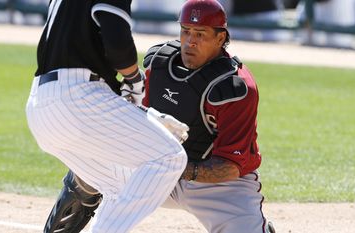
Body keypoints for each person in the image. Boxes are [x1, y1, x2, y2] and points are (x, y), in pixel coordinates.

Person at [41, 0, 275, 232]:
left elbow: (231, 167)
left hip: (219, 188)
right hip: (157, 171)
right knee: (97, 157)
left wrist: (172, 163)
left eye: (201, 34)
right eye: (186, 31)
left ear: (220, 38)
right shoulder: (160, 64)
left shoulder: (234, 88)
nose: (190, 41)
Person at [25, 0, 189, 233]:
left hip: (40, 105)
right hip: (77, 96)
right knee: (170, 157)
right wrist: (133, 78)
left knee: (122, 185)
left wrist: (143, 113)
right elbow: (118, 45)